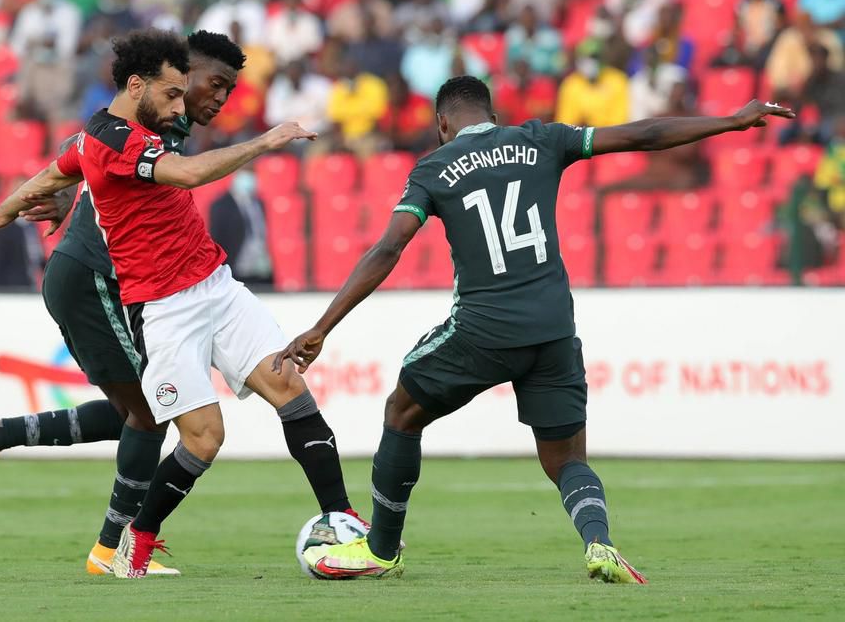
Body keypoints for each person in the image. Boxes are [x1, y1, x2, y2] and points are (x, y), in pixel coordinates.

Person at [274, 75, 794, 580]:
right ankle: (599, 544)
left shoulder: (433, 168)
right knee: (566, 458)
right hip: (552, 330)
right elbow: (642, 134)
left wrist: (322, 326)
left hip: (483, 331)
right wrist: (730, 121)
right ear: (494, 117)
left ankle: (382, 550)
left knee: (402, 411)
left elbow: (388, 248)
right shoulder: (542, 140)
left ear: (441, 124)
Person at [0, 29, 360, 580]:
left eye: (223, 92)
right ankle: (118, 547)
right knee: (157, 420)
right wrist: (264, 141)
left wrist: (12, 208)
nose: (206, 102)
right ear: (163, 79)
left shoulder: (163, 117)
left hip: (209, 281)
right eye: (204, 87)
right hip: (105, 281)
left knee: (259, 391)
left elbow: (68, 160)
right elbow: (134, 162)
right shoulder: (126, 129)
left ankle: (345, 520)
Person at [208, 168, 273, 286]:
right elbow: (218, 238)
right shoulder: (221, 205)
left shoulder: (258, 202)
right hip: (237, 267)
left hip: (261, 268)